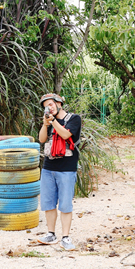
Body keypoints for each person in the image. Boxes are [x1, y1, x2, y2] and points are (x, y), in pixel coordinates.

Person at [36, 93, 81, 251]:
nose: (49, 108)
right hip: (48, 168)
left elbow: (66, 134)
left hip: (67, 169)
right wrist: (45, 124)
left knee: (65, 204)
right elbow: (41, 140)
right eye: (46, 106)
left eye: (51, 104)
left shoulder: (74, 119)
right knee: (48, 203)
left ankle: (66, 237)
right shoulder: (49, 121)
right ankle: (51, 234)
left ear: (59, 103)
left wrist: (53, 121)